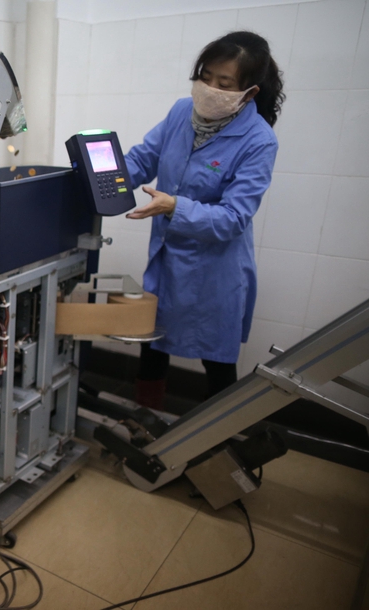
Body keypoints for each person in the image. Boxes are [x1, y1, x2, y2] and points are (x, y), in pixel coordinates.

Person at [123, 31, 285, 410]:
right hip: (167, 261)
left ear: (249, 92)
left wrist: (173, 207)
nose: (210, 88)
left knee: (216, 357)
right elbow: (142, 159)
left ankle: (215, 440)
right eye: (206, 76)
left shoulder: (258, 141)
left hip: (215, 272)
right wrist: (98, 177)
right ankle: (144, 424)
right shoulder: (182, 112)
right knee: (153, 342)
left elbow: (233, 218)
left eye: (224, 83)